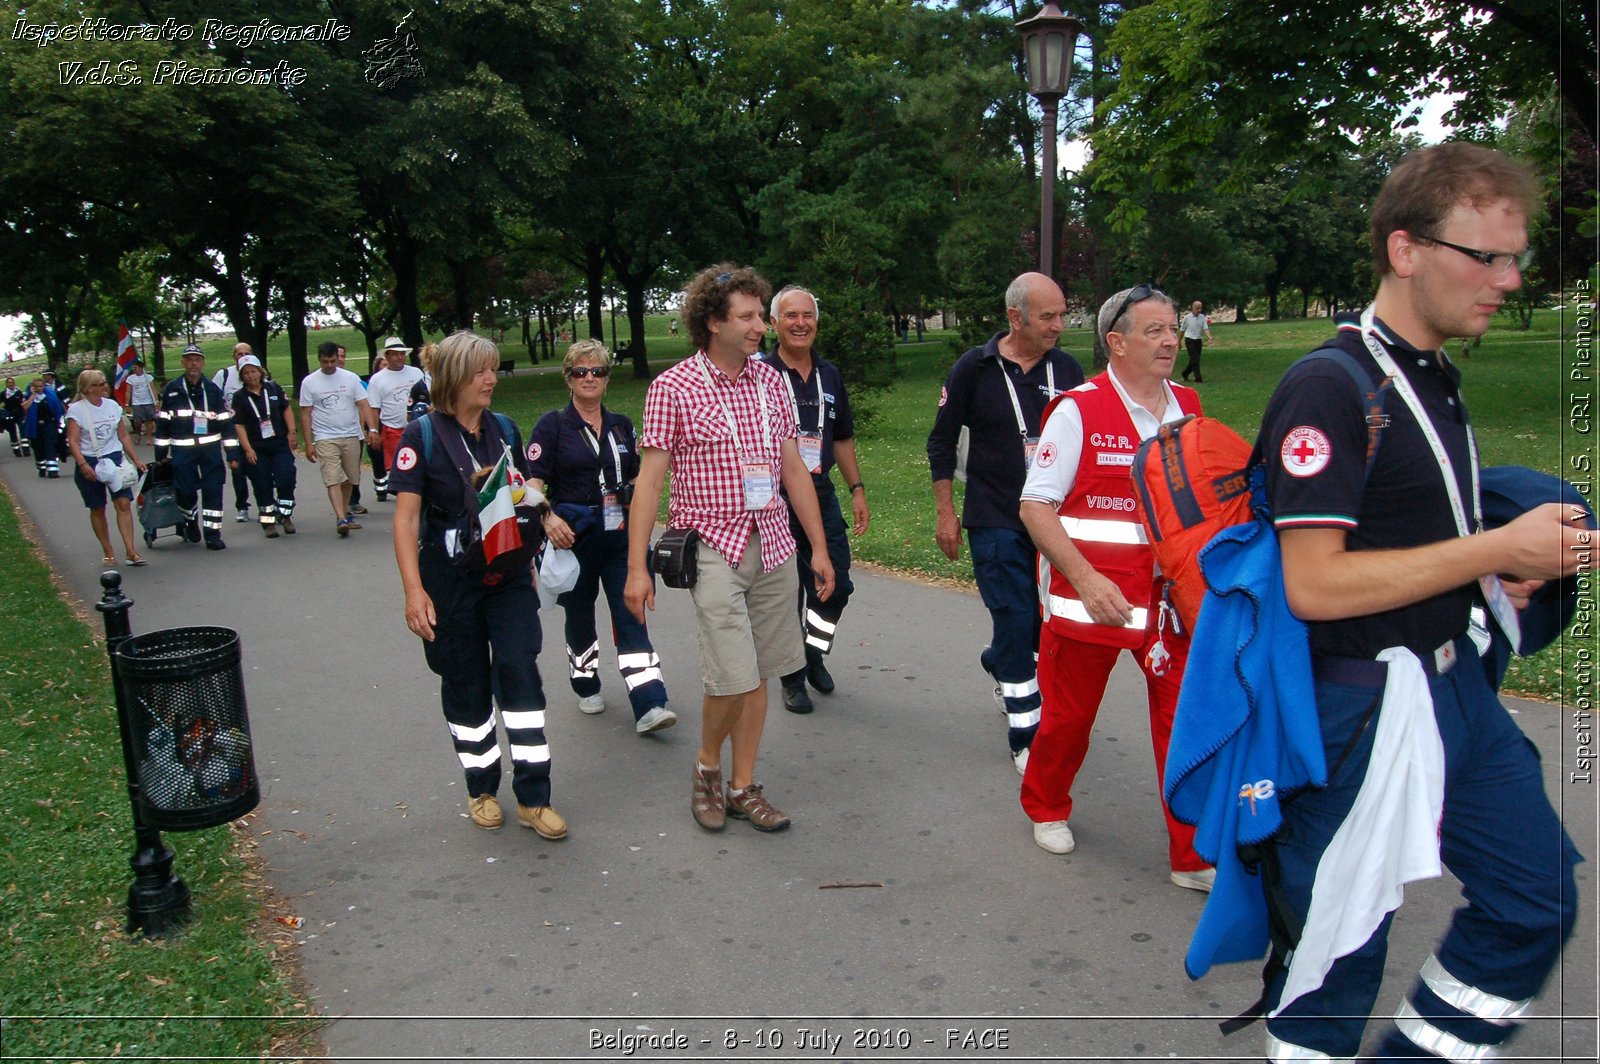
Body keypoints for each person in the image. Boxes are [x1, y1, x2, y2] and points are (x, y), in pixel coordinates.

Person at [1252, 142, 1584, 1061]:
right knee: (1336, 958)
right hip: (1361, 705)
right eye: (1487, 257)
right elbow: (1313, 584)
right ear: (1406, 250)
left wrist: (1507, 568)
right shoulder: (1332, 383)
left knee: (1537, 897)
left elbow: (1410, 533)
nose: (1509, 281)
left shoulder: (1429, 369)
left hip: (1454, 691)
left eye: (1515, 259)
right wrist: (1493, 546)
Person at [624, 264, 835, 834]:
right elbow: (649, 484)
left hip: (773, 543)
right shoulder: (672, 388)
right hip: (711, 544)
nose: (760, 326)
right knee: (733, 676)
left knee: (763, 671)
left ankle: (743, 785)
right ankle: (707, 768)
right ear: (713, 322)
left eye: (759, 315)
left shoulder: (772, 383)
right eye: (747, 316)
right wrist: (635, 568)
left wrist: (818, 546)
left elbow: (793, 468)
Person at [1016, 285, 1213, 891]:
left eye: (1173, 328)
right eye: (1153, 330)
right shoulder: (1077, 409)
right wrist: (1086, 577)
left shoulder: (1188, 405)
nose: (1169, 340)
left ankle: (1192, 853)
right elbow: (1035, 507)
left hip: (1172, 602)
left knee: (1185, 721)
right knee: (1069, 718)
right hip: (1094, 600)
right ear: (1116, 342)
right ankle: (1046, 804)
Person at [389, 330, 565, 840]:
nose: (491, 379)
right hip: (449, 582)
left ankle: (535, 796)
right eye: (480, 371)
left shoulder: (505, 429)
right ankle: (481, 787)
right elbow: (405, 521)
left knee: (519, 671)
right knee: (465, 684)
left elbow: (530, 486)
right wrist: (413, 591)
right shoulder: (420, 437)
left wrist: (531, 499)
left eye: (492, 369)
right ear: (453, 378)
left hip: (507, 576)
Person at [926, 272, 1084, 774]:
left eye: (1063, 314)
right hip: (994, 516)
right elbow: (941, 442)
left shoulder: (1068, 369)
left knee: (1040, 623)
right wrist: (946, 513)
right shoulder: (974, 368)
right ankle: (1026, 732)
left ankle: (1000, 659)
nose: (1060, 325)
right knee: (1016, 618)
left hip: (1055, 521)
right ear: (1015, 317)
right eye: (1049, 316)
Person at [528, 340, 675, 733]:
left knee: (631, 611)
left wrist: (645, 506)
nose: (589, 378)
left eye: (597, 371)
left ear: (607, 379)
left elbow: (635, 479)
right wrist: (547, 518)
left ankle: (649, 702)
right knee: (579, 618)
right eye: (581, 371)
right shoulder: (552, 425)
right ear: (569, 378)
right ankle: (585, 682)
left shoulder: (621, 425)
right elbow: (532, 483)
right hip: (572, 538)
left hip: (619, 535)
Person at [759, 286, 869, 714]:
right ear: (774, 323)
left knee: (835, 584)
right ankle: (791, 679)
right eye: (791, 316)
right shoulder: (760, 375)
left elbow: (841, 438)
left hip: (821, 495)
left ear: (816, 323)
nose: (800, 323)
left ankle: (812, 653)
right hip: (774, 498)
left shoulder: (830, 375)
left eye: (807, 315)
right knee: (786, 591)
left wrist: (857, 488)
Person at [154, 344, 238, 549]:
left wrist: (232, 453)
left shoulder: (211, 389)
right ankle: (190, 521)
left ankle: (212, 533)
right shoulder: (172, 390)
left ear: (203, 363)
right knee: (185, 490)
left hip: (210, 450)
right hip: (183, 451)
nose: (193, 363)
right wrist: (161, 453)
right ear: (183, 362)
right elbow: (163, 423)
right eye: (189, 359)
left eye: (197, 359)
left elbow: (225, 421)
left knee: (213, 489)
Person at [64, 368, 148, 567]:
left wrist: (135, 459)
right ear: (89, 388)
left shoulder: (112, 406)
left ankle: (130, 550)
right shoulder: (76, 410)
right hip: (90, 459)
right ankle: (108, 550)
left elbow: (123, 435)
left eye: (104, 383)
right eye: (100, 384)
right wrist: (83, 463)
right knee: (97, 507)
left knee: (124, 503)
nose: (105, 387)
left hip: (114, 458)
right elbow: (73, 441)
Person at [299, 341, 378, 537]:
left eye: (332, 361)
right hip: (325, 436)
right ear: (319, 359)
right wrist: (309, 443)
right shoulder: (309, 382)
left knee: (350, 478)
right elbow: (306, 413)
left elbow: (364, 404)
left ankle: (343, 513)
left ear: (338, 358)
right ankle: (341, 517)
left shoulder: (351, 378)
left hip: (351, 434)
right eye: (325, 361)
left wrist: (373, 429)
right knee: (332, 477)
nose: (329, 365)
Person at [231, 354, 299, 537]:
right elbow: (239, 424)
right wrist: (247, 449)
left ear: (260, 372)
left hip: (278, 442)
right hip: (256, 445)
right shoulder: (239, 397)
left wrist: (292, 432)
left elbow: (286, 408)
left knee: (286, 476)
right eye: (246, 373)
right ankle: (267, 521)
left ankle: (285, 515)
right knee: (262, 483)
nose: (250, 376)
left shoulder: (273, 388)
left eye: (253, 371)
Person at [365, 336, 425, 495]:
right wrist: (374, 430)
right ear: (387, 356)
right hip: (393, 428)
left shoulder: (416, 372)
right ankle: (404, 495)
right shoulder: (377, 380)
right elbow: (374, 408)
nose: (400, 357)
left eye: (402, 354)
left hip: (417, 426)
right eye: (395, 354)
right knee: (400, 465)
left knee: (420, 462)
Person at [216, 343, 254, 522]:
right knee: (237, 470)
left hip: (254, 431)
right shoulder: (224, 375)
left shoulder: (257, 373)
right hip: (231, 431)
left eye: (247, 353)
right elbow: (214, 398)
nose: (243, 356)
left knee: (258, 469)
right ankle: (242, 506)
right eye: (239, 354)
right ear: (234, 357)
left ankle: (266, 504)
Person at [21, 376, 64, 477]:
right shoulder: (29, 396)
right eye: (36, 386)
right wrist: (32, 395)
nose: (39, 388)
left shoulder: (50, 396)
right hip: (36, 426)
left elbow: (57, 409)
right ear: (33, 387)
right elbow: (25, 406)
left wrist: (59, 424)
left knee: (50, 445)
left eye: (41, 386)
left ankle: (53, 470)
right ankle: (41, 467)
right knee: (38, 447)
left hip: (49, 424)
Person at [123, 360, 158, 446]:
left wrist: (156, 401)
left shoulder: (148, 377)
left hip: (148, 401)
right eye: (133, 368)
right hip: (137, 403)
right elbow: (128, 391)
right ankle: (138, 434)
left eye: (136, 368)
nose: (134, 369)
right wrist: (127, 404)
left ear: (141, 368)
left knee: (149, 420)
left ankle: (149, 438)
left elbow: (153, 389)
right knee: (137, 421)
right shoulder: (130, 378)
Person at [1178, 300, 1212, 383]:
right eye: (1197, 308)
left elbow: (1205, 328)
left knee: (1195, 359)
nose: (1199, 310)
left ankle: (1185, 373)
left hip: (1198, 340)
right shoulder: (1187, 318)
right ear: (1193, 308)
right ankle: (1198, 379)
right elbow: (1182, 330)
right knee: (1195, 359)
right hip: (1189, 340)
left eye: (1200, 308)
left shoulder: (1202, 317)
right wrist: (1179, 341)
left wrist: (1209, 337)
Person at [2, 376, 27, 457]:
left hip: (20, 413)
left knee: (23, 430)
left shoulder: (19, 392)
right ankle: (16, 450)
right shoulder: (4, 393)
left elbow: (24, 402)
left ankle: (26, 449)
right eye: (9, 383)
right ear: (6, 384)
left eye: (12, 382)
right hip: (10, 414)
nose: (11, 384)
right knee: (12, 432)